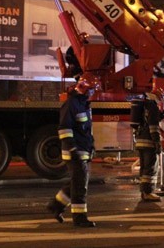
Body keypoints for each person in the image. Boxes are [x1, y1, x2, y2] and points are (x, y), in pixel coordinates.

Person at [46, 73, 99, 228]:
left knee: (77, 182)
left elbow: (86, 130)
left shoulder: (83, 104)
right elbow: (64, 128)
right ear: (82, 88)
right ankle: (79, 218)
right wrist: (73, 148)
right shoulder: (72, 104)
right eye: (90, 89)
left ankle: (56, 205)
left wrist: (92, 146)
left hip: (82, 150)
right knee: (80, 186)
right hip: (75, 152)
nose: (92, 93)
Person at [132, 91, 164, 202]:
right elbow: (153, 127)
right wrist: (157, 142)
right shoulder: (153, 107)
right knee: (151, 168)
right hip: (149, 142)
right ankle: (148, 192)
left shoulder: (144, 106)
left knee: (144, 168)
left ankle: (144, 191)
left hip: (140, 140)